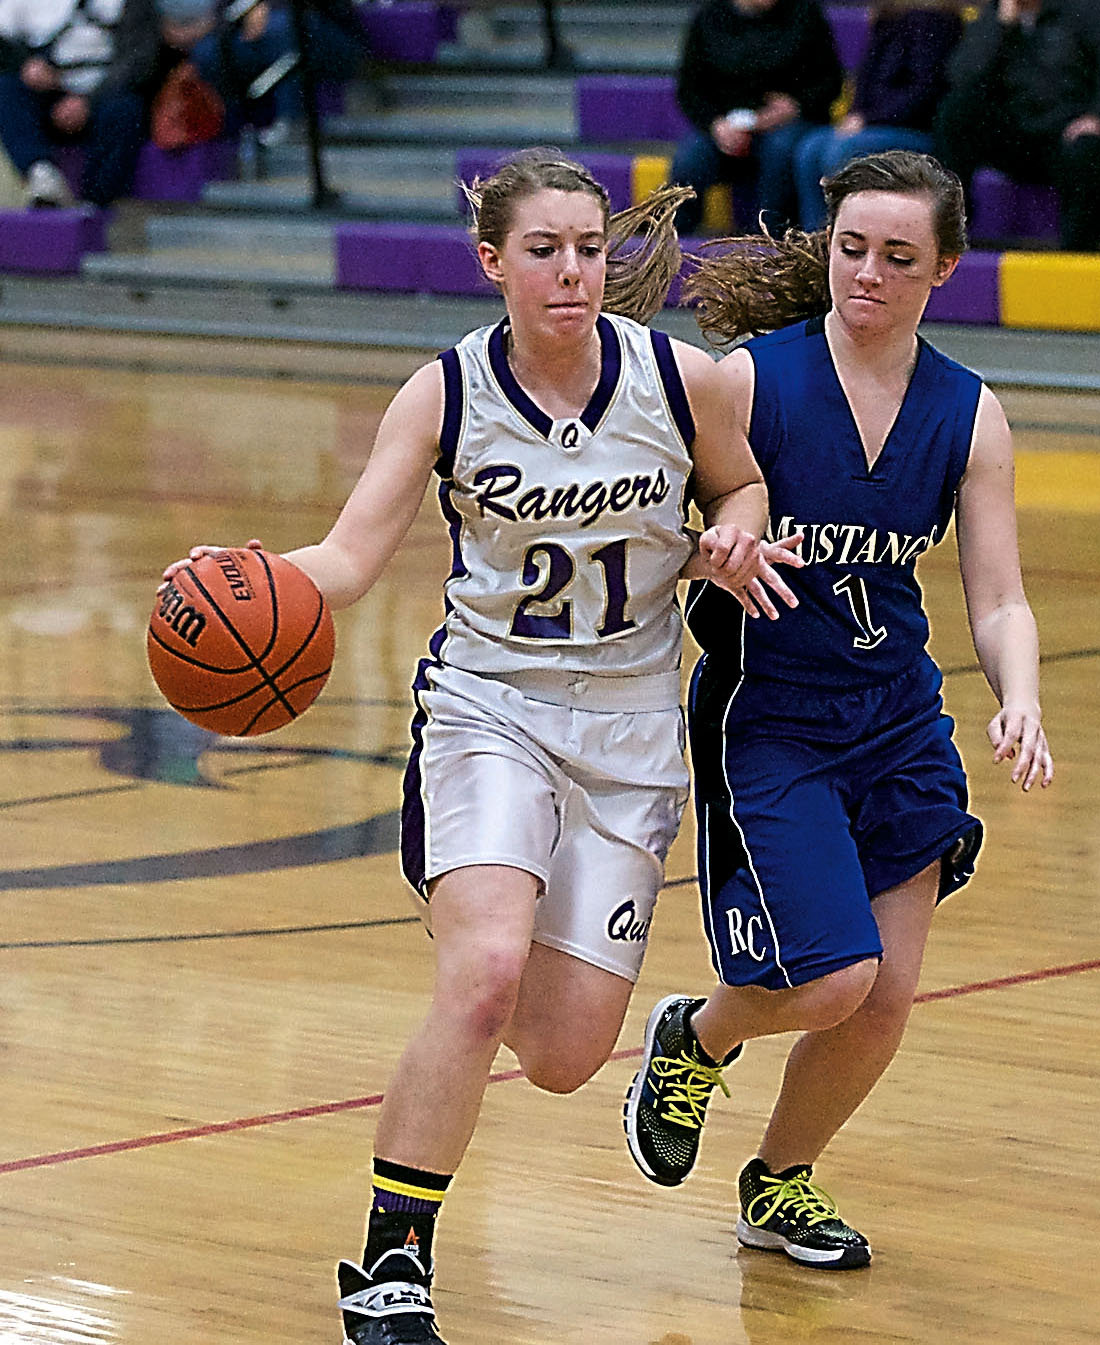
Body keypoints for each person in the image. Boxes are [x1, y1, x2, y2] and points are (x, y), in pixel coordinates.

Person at [161, 148, 801, 1344]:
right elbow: (346, 561)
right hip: (490, 710)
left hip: (627, 734)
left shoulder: (684, 379)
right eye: (545, 250)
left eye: (589, 248)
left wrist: (733, 535)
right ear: (491, 262)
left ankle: (509, 957)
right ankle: (389, 1264)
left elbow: (744, 487)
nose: (572, 272)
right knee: (483, 976)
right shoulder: (444, 394)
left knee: (562, 1054)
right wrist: (230, 575)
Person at [623, 149, 1054, 1269]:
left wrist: (1022, 699)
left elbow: (998, 595)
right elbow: (657, 539)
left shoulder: (968, 413)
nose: (866, 273)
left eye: (896, 257)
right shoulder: (751, 384)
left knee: (884, 995)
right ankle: (694, 1036)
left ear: (942, 269)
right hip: (771, 717)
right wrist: (710, 551)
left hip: (898, 720)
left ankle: (779, 1183)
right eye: (851, 248)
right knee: (831, 973)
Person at [930, 0, 1100, 252]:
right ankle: (953, 233)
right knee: (955, 113)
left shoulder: (1091, 9)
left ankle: (1078, 254)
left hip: (1074, 134)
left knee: (1089, 149)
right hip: (1021, 136)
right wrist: (1001, 27)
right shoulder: (995, 15)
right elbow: (962, 78)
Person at [670, 0, 842, 237]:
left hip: (788, 123)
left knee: (780, 151)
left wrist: (795, 106)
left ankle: (768, 242)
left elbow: (831, 82)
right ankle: (674, 241)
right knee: (690, 158)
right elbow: (689, 90)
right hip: (727, 125)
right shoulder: (709, 17)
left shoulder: (805, 13)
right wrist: (716, 125)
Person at [793, 0, 964, 230]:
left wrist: (868, 120)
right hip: (873, 124)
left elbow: (924, 92)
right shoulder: (887, 17)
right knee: (810, 147)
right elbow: (865, 81)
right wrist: (854, 114)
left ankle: (850, 234)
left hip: (916, 129)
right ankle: (815, 237)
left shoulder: (936, 21)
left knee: (841, 150)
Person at [0, 0, 162, 208]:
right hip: (48, 89)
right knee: (7, 89)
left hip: (105, 91)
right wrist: (24, 65)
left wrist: (88, 102)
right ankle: (41, 175)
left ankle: (97, 204)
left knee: (125, 110)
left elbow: (139, 59)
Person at [161, 0, 367, 145]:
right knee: (207, 51)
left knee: (282, 28)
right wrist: (242, 18)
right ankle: (234, 133)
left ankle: (292, 120)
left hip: (328, 35)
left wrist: (268, 7)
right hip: (261, 35)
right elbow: (223, 14)